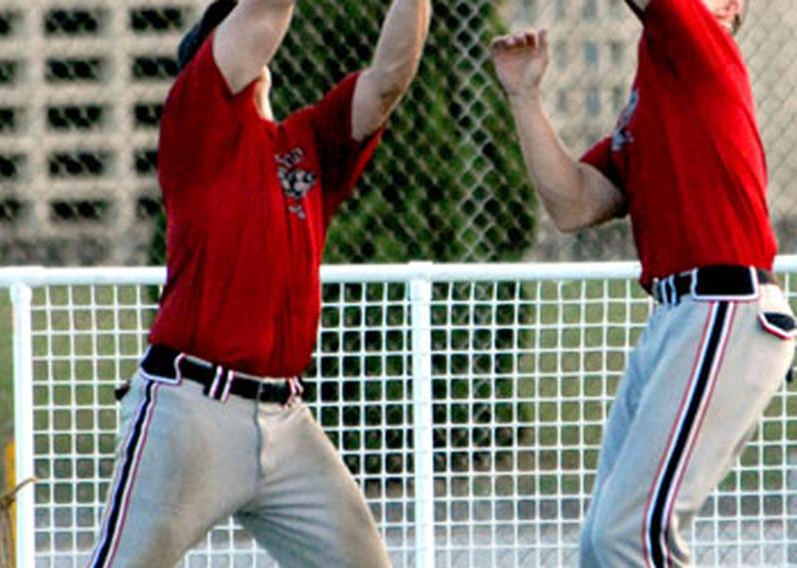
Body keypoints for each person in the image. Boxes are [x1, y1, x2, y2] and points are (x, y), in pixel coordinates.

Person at [88, 0, 430, 566]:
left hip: (285, 420)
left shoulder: (306, 144)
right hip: (191, 409)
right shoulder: (199, 118)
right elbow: (266, 13)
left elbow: (390, 78)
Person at [491, 0, 795, 566]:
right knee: (602, 543)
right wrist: (525, 96)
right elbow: (574, 204)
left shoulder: (704, 50)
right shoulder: (650, 102)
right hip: (679, 320)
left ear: (727, 7)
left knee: (630, 537)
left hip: (724, 308)